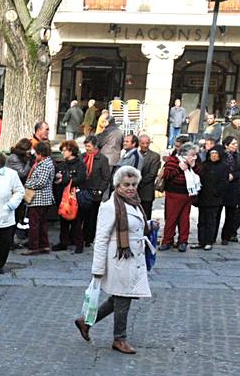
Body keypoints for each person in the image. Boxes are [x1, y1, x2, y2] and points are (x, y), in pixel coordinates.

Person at [75, 165, 151, 354]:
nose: (131, 188)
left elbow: (135, 226)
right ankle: (120, 339)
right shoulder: (110, 207)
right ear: (117, 185)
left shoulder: (135, 203)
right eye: (126, 184)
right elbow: (100, 238)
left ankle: (85, 321)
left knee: (119, 297)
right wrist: (98, 268)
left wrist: (149, 225)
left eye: (134, 184)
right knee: (123, 297)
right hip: (119, 259)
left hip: (133, 257)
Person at [160, 142, 200, 252]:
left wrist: (194, 166)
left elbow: (201, 173)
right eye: (192, 155)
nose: (194, 157)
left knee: (184, 219)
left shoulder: (194, 163)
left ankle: (183, 241)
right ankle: (167, 240)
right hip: (174, 194)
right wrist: (179, 169)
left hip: (188, 194)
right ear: (185, 154)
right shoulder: (174, 160)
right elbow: (167, 175)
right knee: (171, 218)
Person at [21, 141, 57, 255]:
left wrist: (27, 184)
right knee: (41, 223)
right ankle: (43, 245)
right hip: (41, 199)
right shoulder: (44, 163)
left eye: (36, 153)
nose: (35, 156)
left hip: (40, 199)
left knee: (34, 224)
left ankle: (34, 247)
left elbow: (41, 182)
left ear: (41, 153)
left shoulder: (45, 164)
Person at [52, 140, 88, 252]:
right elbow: (56, 179)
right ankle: (63, 242)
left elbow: (80, 179)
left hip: (74, 197)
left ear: (71, 151)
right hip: (63, 197)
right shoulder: (62, 165)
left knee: (76, 222)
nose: (63, 153)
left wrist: (64, 179)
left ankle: (78, 244)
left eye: (64, 150)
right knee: (63, 221)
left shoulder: (80, 165)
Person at [196, 146, 229, 250]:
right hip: (203, 196)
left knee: (211, 221)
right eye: (212, 154)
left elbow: (224, 182)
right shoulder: (204, 165)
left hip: (214, 198)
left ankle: (209, 241)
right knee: (201, 220)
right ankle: (201, 241)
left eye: (216, 154)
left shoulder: (223, 166)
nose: (214, 156)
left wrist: (216, 192)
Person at [219, 136, 240, 244]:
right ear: (226, 145)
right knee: (216, 213)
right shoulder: (221, 156)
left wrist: (233, 176)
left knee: (230, 214)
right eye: (233, 144)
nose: (235, 146)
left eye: (236, 144)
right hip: (221, 188)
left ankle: (226, 236)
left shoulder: (239, 157)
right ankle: (211, 236)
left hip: (233, 188)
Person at [136, 134, 162, 221]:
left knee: (146, 216)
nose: (145, 145)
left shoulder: (155, 156)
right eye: (143, 143)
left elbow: (152, 174)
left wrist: (138, 183)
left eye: (147, 143)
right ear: (139, 143)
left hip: (146, 191)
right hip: (135, 191)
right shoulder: (135, 154)